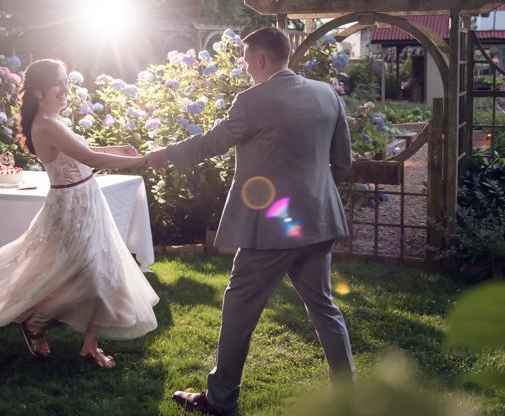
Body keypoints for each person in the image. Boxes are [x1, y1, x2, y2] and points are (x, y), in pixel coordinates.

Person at [147, 26, 355, 415]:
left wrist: (166, 153)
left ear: (260, 59)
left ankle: (220, 400)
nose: (244, 69)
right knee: (324, 308)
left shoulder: (252, 100)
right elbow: (342, 162)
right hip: (320, 220)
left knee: (238, 312)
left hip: (271, 230)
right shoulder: (326, 93)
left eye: (245, 61)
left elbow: (212, 141)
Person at [0, 59, 158, 368]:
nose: (65, 89)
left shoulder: (55, 119)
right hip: (70, 209)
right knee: (85, 273)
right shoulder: (46, 124)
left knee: (106, 270)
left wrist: (119, 148)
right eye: (57, 83)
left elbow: (81, 152)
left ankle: (89, 346)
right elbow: (89, 157)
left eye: (65, 82)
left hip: (87, 200)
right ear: (38, 91)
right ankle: (34, 321)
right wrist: (144, 160)